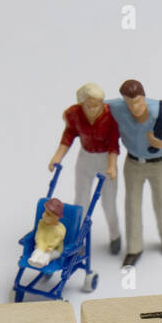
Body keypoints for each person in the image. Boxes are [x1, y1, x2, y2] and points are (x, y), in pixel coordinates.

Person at [107, 79, 162, 267]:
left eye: (139, 101)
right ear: (124, 100)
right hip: (133, 163)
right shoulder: (117, 108)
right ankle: (134, 248)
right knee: (132, 206)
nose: (135, 106)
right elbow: (94, 103)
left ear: (144, 97)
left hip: (157, 165)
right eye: (130, 102)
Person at [48, 83, 122, 255]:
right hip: (86, 157)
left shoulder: (111, 116)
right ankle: (77, 239)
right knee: (81, 201)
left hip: (105, 159)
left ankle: (115, 235)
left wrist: (111, 166)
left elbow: (113, 144)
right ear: (82, 103)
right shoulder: (74, 114)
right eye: (90, 105)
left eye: (98, 104)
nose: (95, 109)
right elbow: (68, 136)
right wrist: (57, 157)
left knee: (108, 203)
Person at [27, 198, 67, 268]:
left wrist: (51, 246)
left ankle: (43, 262)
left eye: (48, 214)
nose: (44, 215)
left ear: (56, 218)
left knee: (47, 255)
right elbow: (39, 234)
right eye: (45, 212)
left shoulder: (60, 229)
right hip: (43, 244)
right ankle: (34, 259)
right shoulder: (42, 223)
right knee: (38, 251)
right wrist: (39, 243)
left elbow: (58, 239)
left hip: (55, 248)